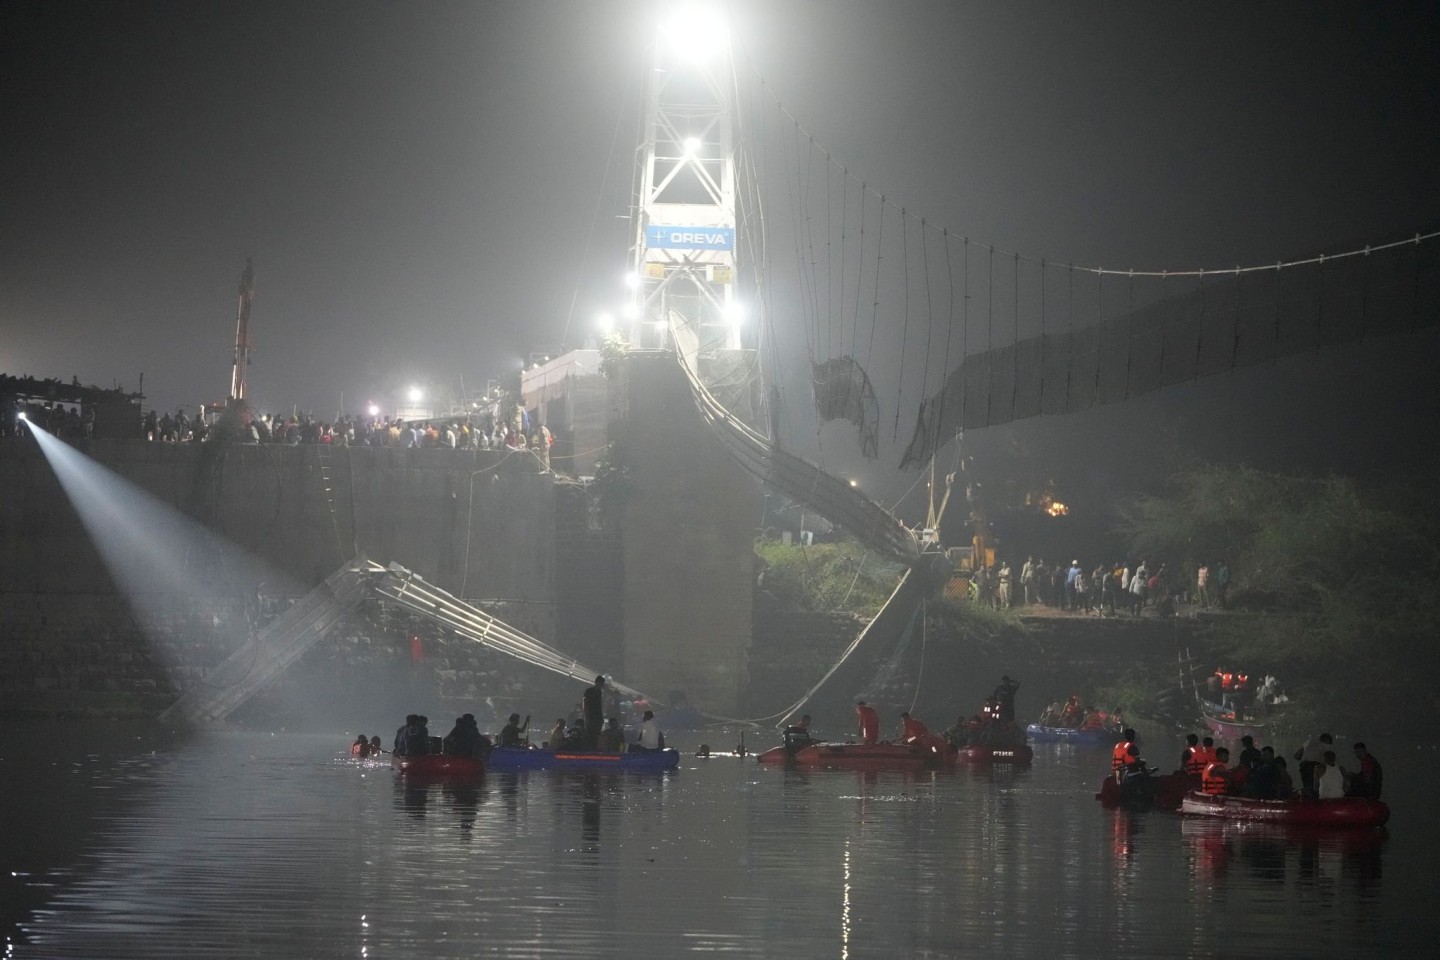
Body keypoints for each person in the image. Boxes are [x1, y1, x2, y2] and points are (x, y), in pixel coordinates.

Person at [1294, 732, 1333, 799]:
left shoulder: (1309, 741)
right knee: (1314, 788)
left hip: (1303, 767)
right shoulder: (1325, 746)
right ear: (1327, 741)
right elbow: (1327, 760)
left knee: (1308, 786)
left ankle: (1304, 798)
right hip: (1314, 766)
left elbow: (1297, 756)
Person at [582, 675, 606, 750]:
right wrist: (587, 716)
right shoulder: (589, 691)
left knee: (597, 733)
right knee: (590, 733)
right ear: (597, 683)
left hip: (598, 716)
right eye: (601, 684)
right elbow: (585, 703)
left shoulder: (599, 692)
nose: (602, 686)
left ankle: (594, 747)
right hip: (591, 716)